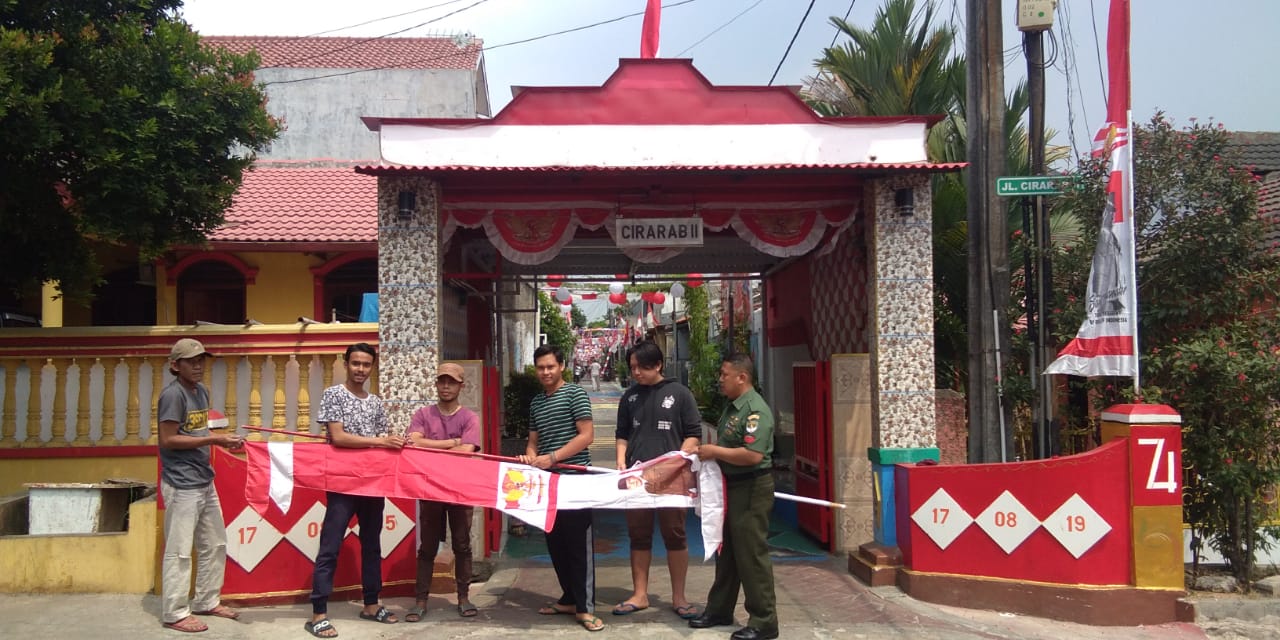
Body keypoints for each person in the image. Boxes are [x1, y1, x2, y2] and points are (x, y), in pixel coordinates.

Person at [306, 343, 405, 639]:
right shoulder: (333, 394)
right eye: (355, 363)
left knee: (372, 544)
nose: (360, 369)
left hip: (372, 482)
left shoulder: (375, 402)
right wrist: (380, 441)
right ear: (346, 364)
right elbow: (337, 437)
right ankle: (319, 613)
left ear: (372, 367)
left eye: (366, 364)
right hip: (341, 481)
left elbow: (381, 440)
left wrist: (391, 442)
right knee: (330, 545)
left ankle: (371, 604)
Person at [157, 338, 244, 633]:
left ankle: (207, 599)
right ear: (175, 365)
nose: (197, 365)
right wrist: (214, 440)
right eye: (191, 361)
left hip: (203, 478)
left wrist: (224, 440)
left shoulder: (201, 391)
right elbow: (168, 439)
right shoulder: (173, 395)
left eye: (201, 360)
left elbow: (197, 429)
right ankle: (175, 612)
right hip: (181, 482)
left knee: (215, 542)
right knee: (180, 550)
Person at [689, 353, 779, 640]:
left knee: (751, 555)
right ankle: (719, 609)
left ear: (742, 377)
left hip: (751, 489)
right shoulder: (733, 407)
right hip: (730, 487)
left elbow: (752, 455)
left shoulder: (756, 411)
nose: (720, 379)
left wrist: (714, 452)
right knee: (726, 551)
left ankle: (764, 621)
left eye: (725, 374)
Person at [612, 340, 701, 619]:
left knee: (675, 534)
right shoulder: (629, 397)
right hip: (637, 478)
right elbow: (622, 433)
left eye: (641, 367)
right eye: (633, 367)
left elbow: (693, 434)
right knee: (638, 535)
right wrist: (620, 461)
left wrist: (675, 460)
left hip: (672, 478)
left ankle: (679, 597)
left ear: (658, 364)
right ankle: (640, 594)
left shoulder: (680, 394)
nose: (636, 372)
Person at [519, 344, 603, 633]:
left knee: (579, 546)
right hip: (547, 483)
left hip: (576, 481)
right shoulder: (536, 403)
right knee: (555, 544)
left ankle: (585, 608)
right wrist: (530, 455)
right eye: (540, 367)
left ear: (562, 366)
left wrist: (553, 457)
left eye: (550, 366)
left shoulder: (575, 394)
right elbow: (533, 441)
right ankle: (568, 597)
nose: (545, 372)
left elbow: (587, 436)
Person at [404, 362, 481, 622]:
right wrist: (452, 442)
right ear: (436, 384)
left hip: (460, 489)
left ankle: (463, 596)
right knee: (427, 547)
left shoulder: (470, 417)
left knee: (462, 544)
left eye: (451, 382)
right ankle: (421, 600)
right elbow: (413, 444)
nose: (445, 386)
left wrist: (433, 446)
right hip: (430, 488)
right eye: (441, 381)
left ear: (461, 385)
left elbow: (467, 450)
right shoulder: (423, 413)